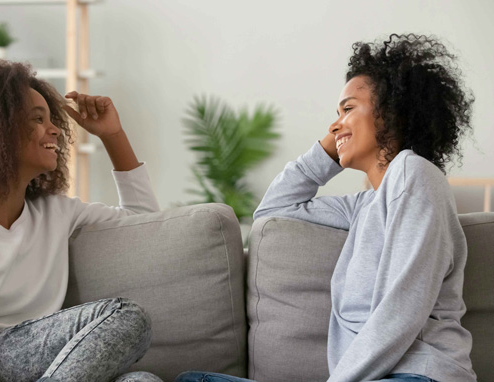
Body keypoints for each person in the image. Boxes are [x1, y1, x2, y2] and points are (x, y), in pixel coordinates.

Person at [176, 34, 476, 382]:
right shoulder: (363, 206)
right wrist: (332, 146)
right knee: (193, 380)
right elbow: (274, 211)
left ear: (391, 112)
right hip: (369, 378)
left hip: (417, 375)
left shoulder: (416, 175)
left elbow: (402, 310)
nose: (334, 125)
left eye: (348, 108)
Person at [0, 58, 163, 382]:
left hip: (28, 368)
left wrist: (113, 135)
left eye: (52, 119)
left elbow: (145, 225)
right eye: (38, 119)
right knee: (127, 318)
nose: (55, 129)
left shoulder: (56, 212)